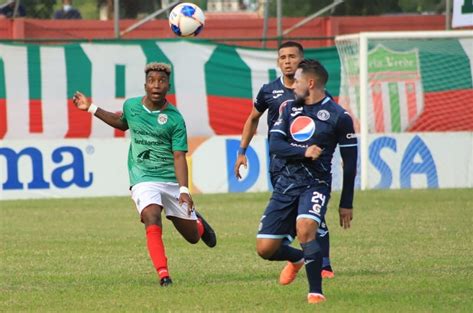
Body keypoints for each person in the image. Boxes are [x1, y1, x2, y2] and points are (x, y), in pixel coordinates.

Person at [72, 62, 216, 287]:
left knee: (192, 238)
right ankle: (163, 275)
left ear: (168, 85)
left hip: (170, 180)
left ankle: (197, 223)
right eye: (152, 81)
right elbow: (121, 124)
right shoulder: (132, 106)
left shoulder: (175, 118)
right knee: (151, 215)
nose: (156, 85)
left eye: (161, 81)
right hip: (143, 178)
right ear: (145, 85)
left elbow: (179, 156)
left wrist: (184, 190)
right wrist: (91, 108)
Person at [234, 41, 335, 282]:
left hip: (311, 166)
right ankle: (298, 257)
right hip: (280, 164)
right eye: (282, 57)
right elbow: (252, 119)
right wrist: (241, 151)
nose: (287, 61)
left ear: (302, 60)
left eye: (292, 56)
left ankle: (325, 265)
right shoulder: (269, 91)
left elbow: (331, 125)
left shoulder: (315, 92)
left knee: (313, 215)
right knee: (295, 215)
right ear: (278, 62)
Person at [261, 59, 357, 303]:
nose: (293, 86)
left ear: (311, 83)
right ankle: (297, 259)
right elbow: (275, 144)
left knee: (306, 229)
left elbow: (351, 163)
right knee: (265, 249)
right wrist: (303, 152)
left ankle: (316, 292)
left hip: (315, 185)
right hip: (285, 184)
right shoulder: (290, 109)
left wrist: (346, 202)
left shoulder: (339, 116)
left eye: (298, 82)